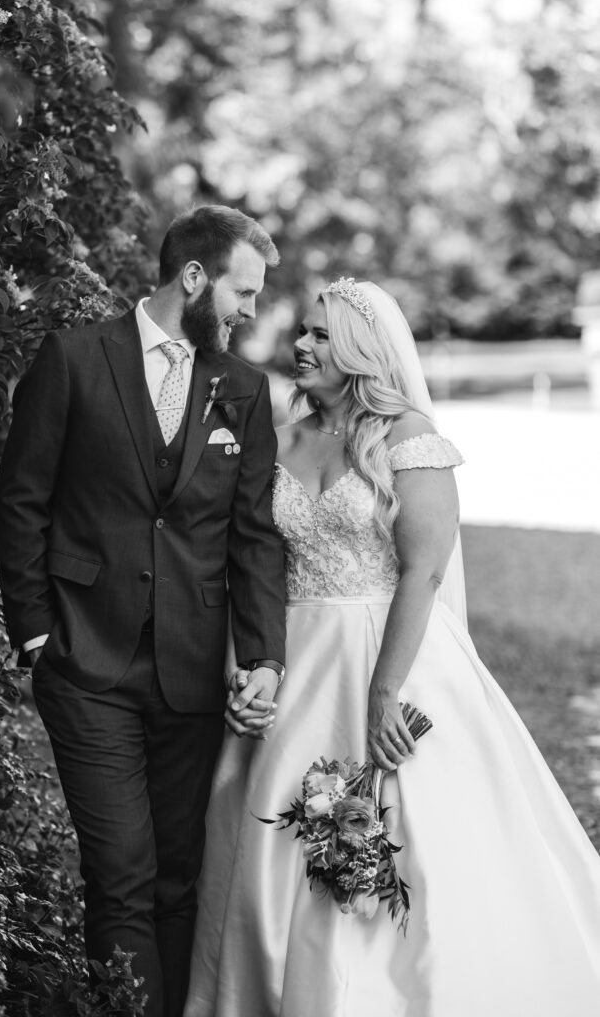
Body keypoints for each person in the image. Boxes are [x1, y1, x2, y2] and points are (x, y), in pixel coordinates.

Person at [183, 278, 600, 1017]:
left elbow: (424, 570)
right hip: (295, 656)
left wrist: (383, 693)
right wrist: (248, 663)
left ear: (358, 350)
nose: (299, 345)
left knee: (415, 834)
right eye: (303, 332)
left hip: (395, 653)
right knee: (273, 832)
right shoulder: (285, 435)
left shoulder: (409, 438)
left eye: (318, 335)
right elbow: (255, 564)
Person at [0, 205, 287, 1017]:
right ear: (193, 277)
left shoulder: (243, 389)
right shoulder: (75, 358)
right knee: (120, 873)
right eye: (244, 291)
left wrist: (263, 657)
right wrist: (35, 632)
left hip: (192, 673)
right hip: (84, 662)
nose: (251, 312)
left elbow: (253, 537)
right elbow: (21, 503)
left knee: (176, 877)